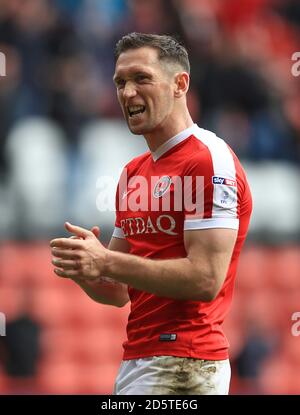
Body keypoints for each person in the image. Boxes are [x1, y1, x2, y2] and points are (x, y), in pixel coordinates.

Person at [50, 33, 252, 395]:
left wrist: (106, 261)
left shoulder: (208, 159)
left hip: (186, 363)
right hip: (138, 361)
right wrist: (86, 266)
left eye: (141, 78)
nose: (127, 93)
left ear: (180, 84)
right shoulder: (133, 172)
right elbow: (117, 292)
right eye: (120, 82)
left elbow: (206, 279)